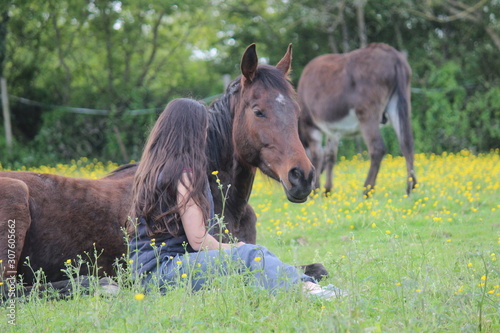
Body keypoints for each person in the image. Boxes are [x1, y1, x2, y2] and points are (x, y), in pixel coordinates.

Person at [127, 98, 343, 299]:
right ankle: (309, 290)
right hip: (165, 271)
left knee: (251, 256)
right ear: (192, 133)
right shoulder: (186, 174)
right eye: (204, 129)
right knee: (251, 254)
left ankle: (306, 287)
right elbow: (198, 240)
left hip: (149, 271)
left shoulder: (152, 171)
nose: (206, 135)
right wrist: (236, 248)